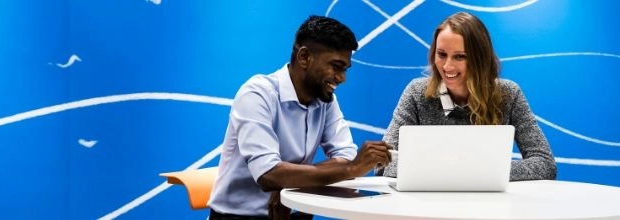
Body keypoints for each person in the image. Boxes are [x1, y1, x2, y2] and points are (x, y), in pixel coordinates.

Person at [208, 15, 392, 220]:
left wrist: (292, 183)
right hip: (238, 216)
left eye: (345, 69)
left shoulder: (326, 99)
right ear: (304, 57)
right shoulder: (257, 94)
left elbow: (345, 155)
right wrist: (350, 169)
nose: (342, 78)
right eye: (336, 66)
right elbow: (269, 174)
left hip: (294, 211)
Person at [377, 12, 556, 180]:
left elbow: (545, 164)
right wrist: (455, 170)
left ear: (481, 59)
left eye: (460, 57)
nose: (447, 66)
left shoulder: (509, 94)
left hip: (489, 209)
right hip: (429, 208)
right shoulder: (416, 92)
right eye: (441, 54)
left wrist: (481, 170)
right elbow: (382, 164)